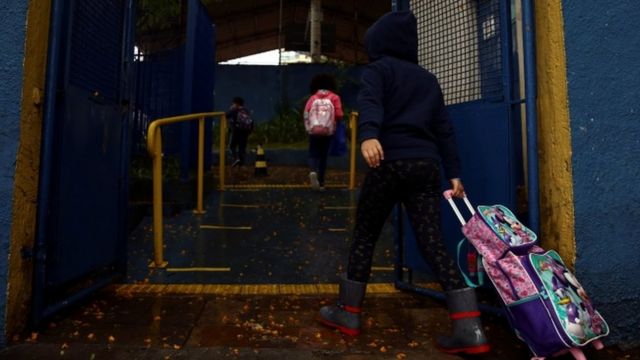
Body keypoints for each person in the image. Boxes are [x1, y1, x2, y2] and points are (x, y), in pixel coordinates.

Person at [318, 11, 490, 355]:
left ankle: (348, 313)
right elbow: (444, 128)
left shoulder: (378, 70)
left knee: (366, 234)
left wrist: (369, 135)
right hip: (425, 167)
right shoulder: (428, 79)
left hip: (388, 162)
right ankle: (469, 327)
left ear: (379, 44)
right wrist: (454, 173)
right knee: (433, 243)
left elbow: (370, 103)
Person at [303, 74, 344, 189]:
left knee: (313, 152)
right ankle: (321, 183)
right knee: (323, 156)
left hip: (314, 130)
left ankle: (312, 171)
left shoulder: (313, 98)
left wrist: (308, 127)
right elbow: (339, 114)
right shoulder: (334, 97)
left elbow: (306, 113)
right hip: (328, 131)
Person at [226, 97, 253, 167]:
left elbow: (226, 115)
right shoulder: (246, 110)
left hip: (236, 131)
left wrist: (231, 109)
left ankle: (236, 158)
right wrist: (250, 131)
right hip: (245, 132)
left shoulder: (234, 110)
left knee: (231, 146)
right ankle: (241, 164)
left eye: (233, 103)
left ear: (236, 103)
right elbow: (251, 121)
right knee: (242, 147)